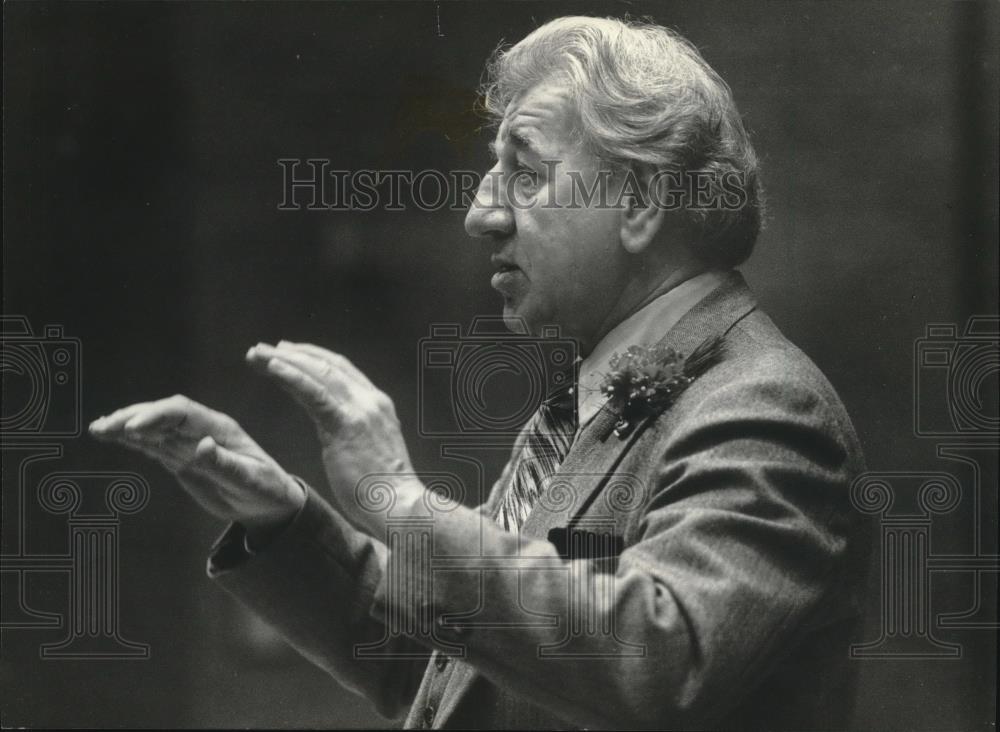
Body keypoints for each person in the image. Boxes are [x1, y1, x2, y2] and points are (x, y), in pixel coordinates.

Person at [90, 16, 868, 730]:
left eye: (526, 174)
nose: (481, 213)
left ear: (640, 205)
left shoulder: (767, 407)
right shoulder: (589, 405)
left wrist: (398, 499)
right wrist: (286, 524)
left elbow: (658, 662)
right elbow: (458, 673)